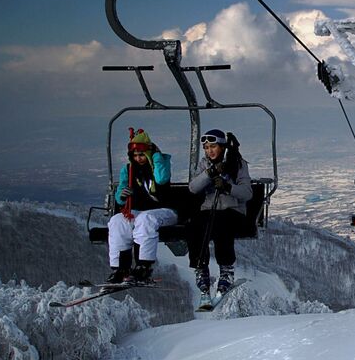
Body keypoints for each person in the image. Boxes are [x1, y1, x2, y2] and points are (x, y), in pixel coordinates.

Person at [187, 129, 252, 304]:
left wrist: (228, 187)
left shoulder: (237, 164)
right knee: (195, 226)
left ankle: (226, 270)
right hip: (209, 210)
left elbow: (247, 193)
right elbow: (193, 187)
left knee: (222, 225)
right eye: (207, 147)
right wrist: (209, 173)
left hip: (233, 211)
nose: (210, 151)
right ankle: (201, 268)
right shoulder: (204, 165)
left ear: (222, 147)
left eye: (213, 146)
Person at [106, 128, 176, 284]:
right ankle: (120, 267)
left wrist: (156, 155)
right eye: (135, 156)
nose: (139, 159)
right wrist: (122, 196)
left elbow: (162, 179)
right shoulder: (129, 170)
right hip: (138, 212)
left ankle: (143, 266)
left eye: (142, 155)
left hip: (164, 210)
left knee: (146, 219)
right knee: (118, 221)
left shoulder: (160, 164)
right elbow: (120, 196)